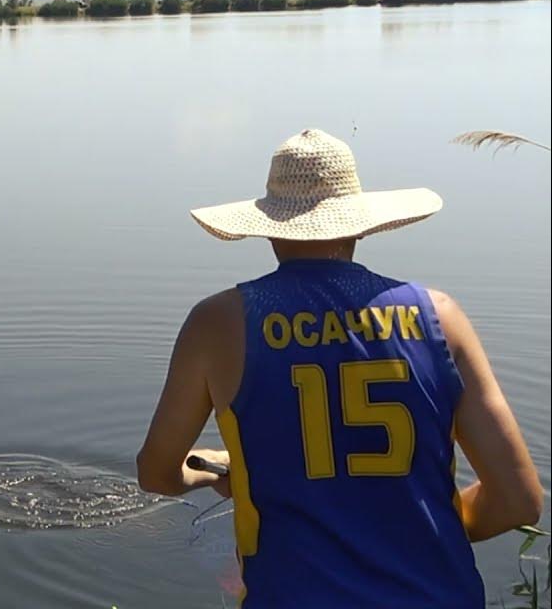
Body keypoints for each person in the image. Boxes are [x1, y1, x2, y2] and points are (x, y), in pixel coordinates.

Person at [137, 129, 543, 607]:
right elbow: (519, 499)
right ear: (360, 226)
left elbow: (158, 472)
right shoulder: (440, 317)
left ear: (269, 226)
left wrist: (208, 475)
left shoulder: (218, 323)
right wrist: (414, 533)